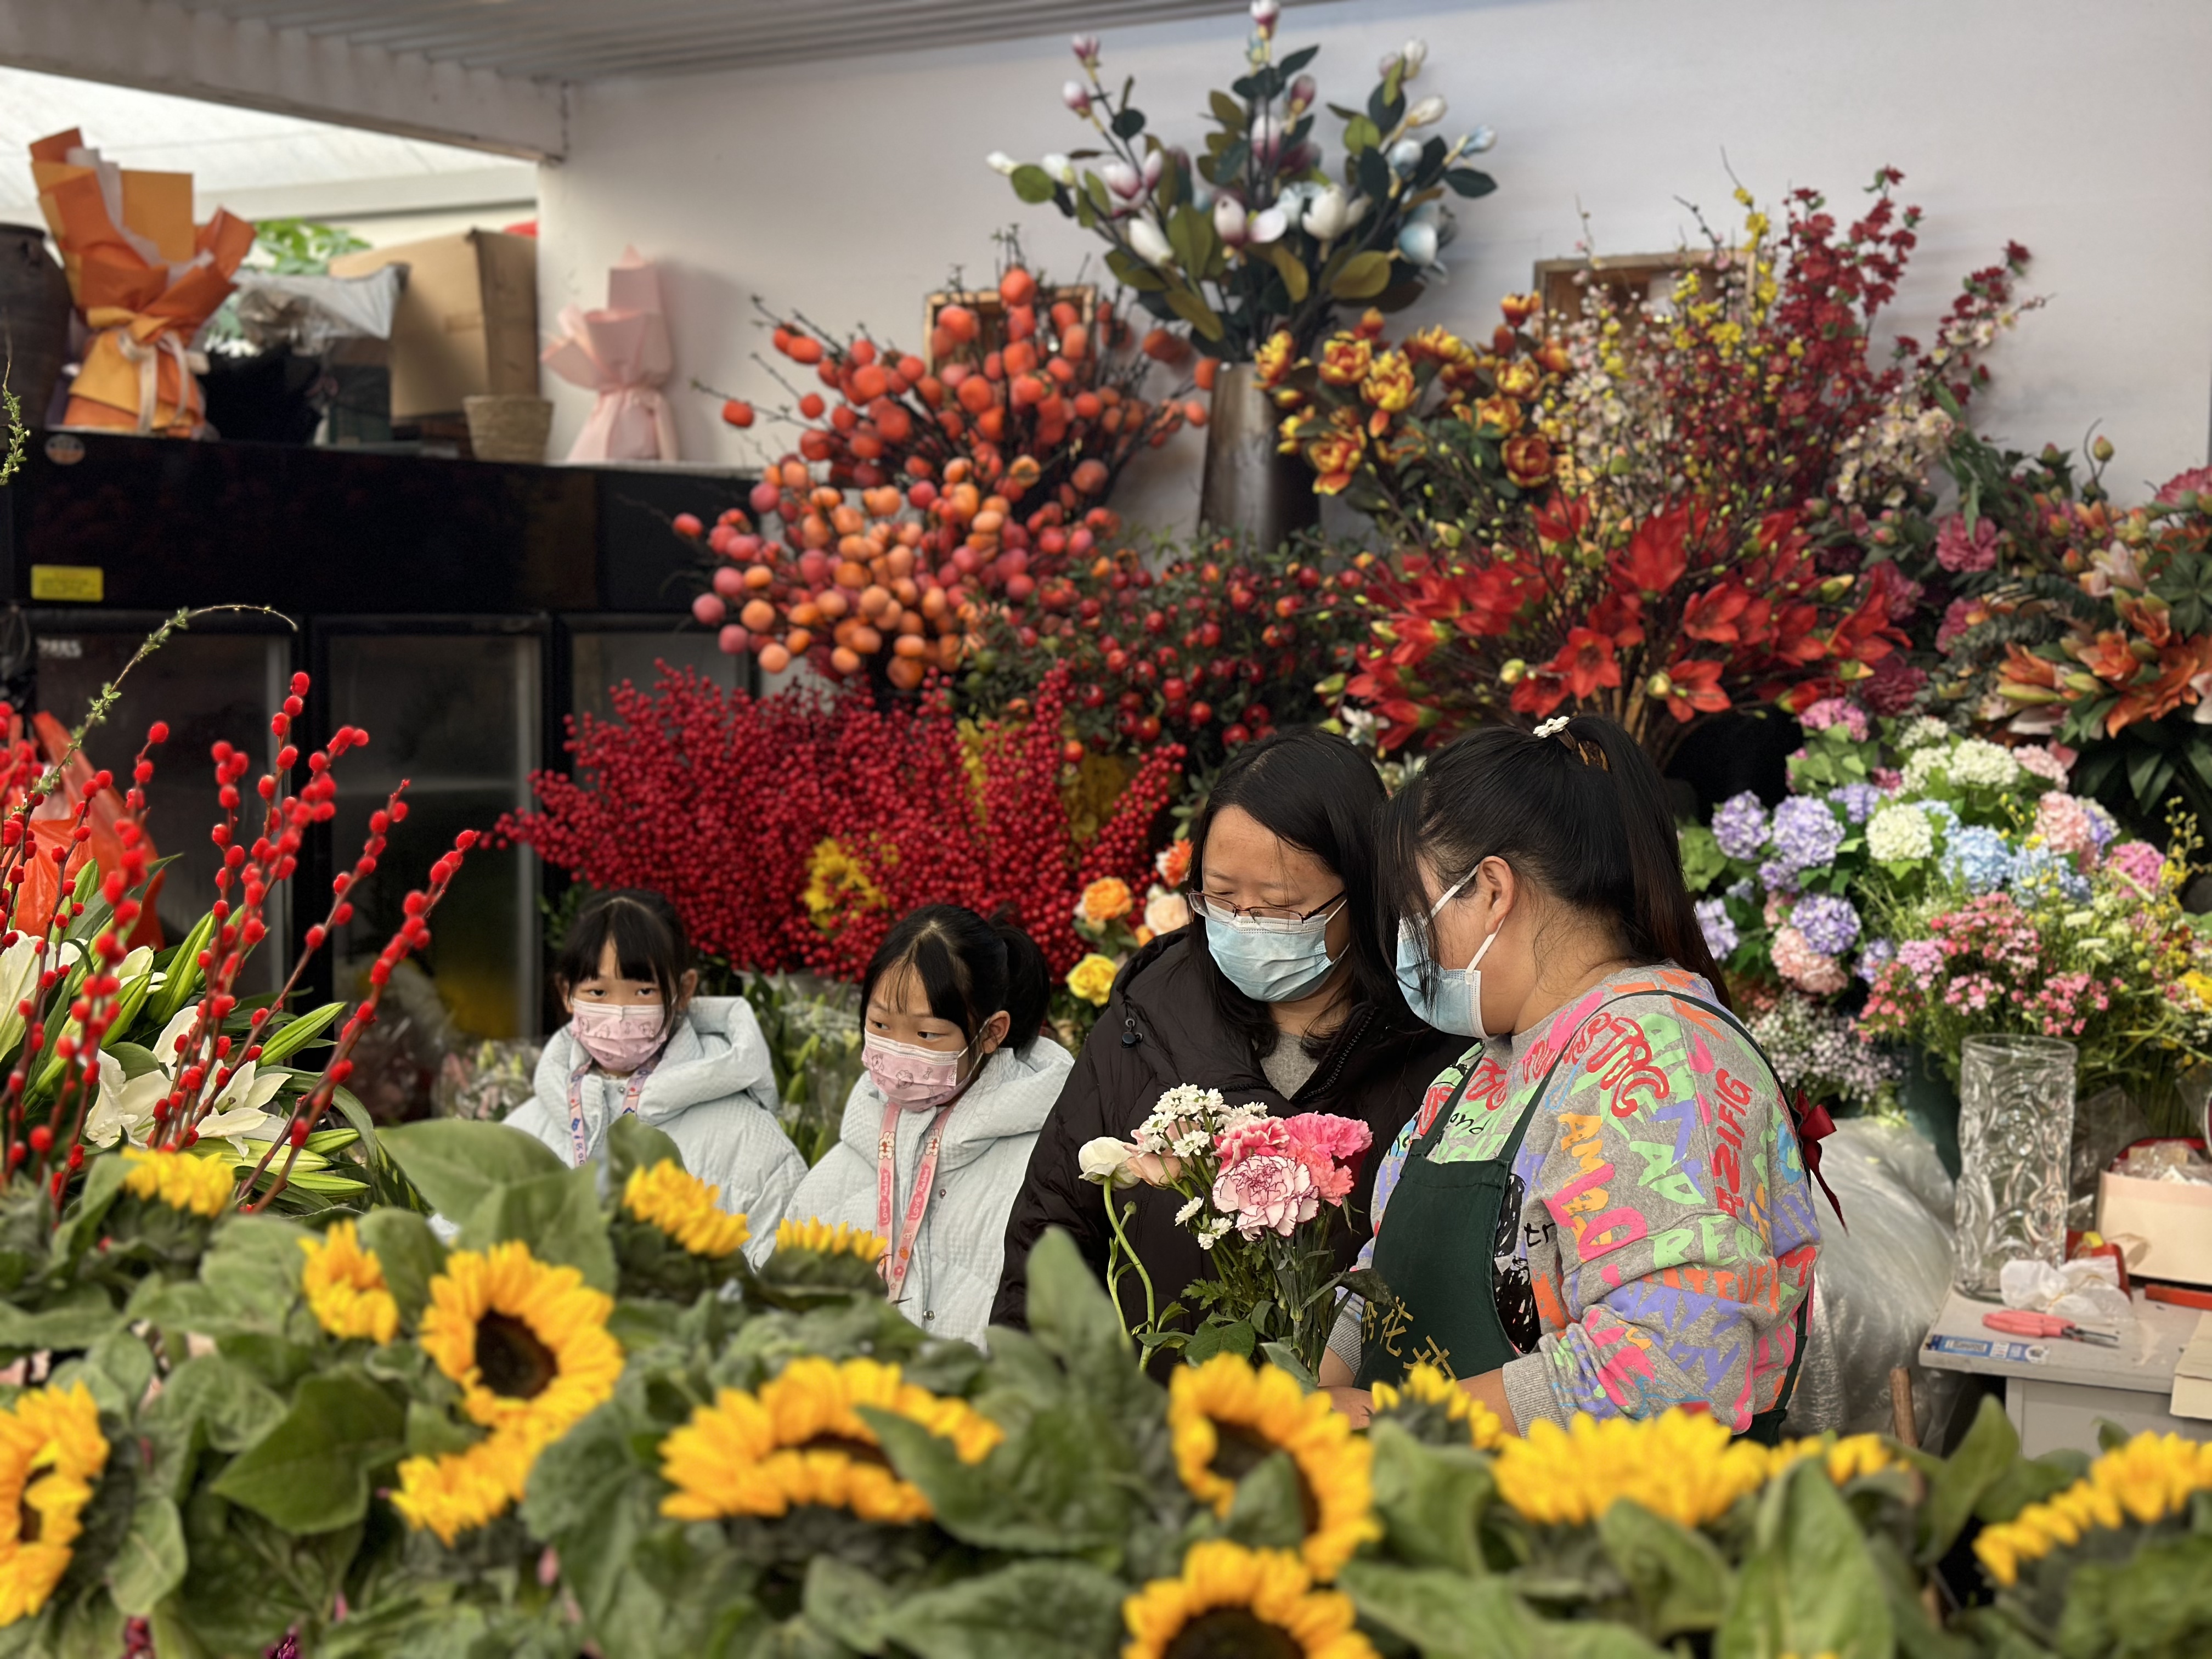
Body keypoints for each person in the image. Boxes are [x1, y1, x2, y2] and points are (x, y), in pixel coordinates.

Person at [1318, 714, 1826, 1443]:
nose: (1405, 942)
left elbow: (1673, 1369)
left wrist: (1399, 1423)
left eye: (1412, 911)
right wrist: (1309, 1403)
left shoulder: (1662, 1068)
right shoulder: (1476, 1070)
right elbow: (1382, 1276)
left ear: (1492, 890)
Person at [994, 727, 1464, 1336]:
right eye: (1220, 896)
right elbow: (1051, 1231)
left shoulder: (1440, 1046)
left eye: (1279, 905)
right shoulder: (1149, 1019)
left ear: (1365, 889)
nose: (1244, 924)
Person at [778, 905, 1069, 1346]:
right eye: (880, 1024)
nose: (898, 1051)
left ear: (991, 1033)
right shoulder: (839, 1170)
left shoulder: (1041, 1169)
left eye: (926, 1035)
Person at [506, 888, 802, 1232]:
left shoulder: (747, 1139)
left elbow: (792, 1256)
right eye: (598, 992)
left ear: (684, 991)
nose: (619, 1013)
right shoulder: (525, 1130)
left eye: (644, 991)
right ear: (567, 993)